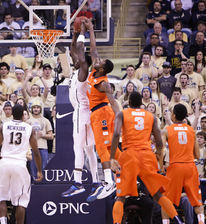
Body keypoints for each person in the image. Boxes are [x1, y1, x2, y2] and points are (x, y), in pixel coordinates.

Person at [110, 91, 184, 224]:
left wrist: (112, 158)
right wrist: (158, 155)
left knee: (120, 196)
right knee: (157, 195)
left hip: (130, 155)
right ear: (141, 103)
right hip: (147, 155)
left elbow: (116, 134)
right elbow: (160, 142)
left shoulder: (122, 113)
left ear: (129, 102)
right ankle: (178, 220)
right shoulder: (150, 116)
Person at [77, 19, 121, 200]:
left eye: (100, 61)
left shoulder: (103, 83)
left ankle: (109, 182)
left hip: (102, 112)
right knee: (111, 148)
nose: (97, 59)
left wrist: (120, 116)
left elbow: (113, 101)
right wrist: (91, 30)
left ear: (101, 68)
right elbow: (93, 48)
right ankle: (128, 172)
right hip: (97, 113)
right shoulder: (96, 70)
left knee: (102, 147)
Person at [61, 28, 99, 198]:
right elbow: (73, 48)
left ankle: (77, 183)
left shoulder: (84, 71)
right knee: (89, 150)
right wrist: (75, 33)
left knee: (78, 147)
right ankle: (96, 181)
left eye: (78, 57)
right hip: (87, 113)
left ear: (84, 61)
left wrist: (83, 31)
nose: (75, 57)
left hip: (81, 112)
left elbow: (80, 50)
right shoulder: (78, 70)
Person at [0, 104, 43, 224]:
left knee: (2, 197)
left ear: (10, 114)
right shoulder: (29, 128)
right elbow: (36, 152)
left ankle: (3, 222)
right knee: (21, 201)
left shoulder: (3, 126)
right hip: (20, 164)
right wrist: (39, 170)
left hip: (5, 163)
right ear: (23, 115)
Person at [161, 104, 205, 224]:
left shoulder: (167, 130)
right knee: (197, 203)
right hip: (190, 166)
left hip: (175, 166)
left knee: (166, 202)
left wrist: (161, 166)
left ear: (174, 115)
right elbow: (197, 155)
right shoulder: (191, 130)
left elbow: (161, 151)